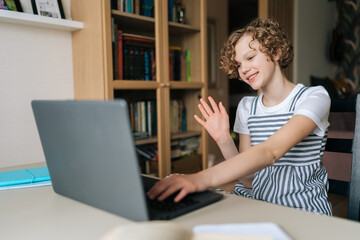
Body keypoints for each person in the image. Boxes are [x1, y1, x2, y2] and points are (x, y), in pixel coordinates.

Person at [147, 18, 333, 215]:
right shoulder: (247, 107)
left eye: (250, 57)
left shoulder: (315, 97)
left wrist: (200, 178)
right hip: (259, 205)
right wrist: (224, 139)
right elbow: (249, 179)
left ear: (276, 52)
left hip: (302, 210)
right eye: (238, 65)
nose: (243, 69)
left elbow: (270, 152)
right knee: (174, 184)